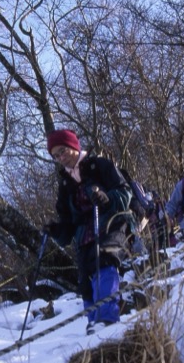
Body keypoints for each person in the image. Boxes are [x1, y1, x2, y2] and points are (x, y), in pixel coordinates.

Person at [43, 130, 133, 334]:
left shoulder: (99, 166)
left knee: (105, 259)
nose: (60, 157)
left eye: (63, 151)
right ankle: (94, 324)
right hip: (84, 233)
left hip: (110, 222)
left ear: (74, 146)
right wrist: (55, 230)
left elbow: (125, 193)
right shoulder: (65, 185)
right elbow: (67, 228)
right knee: (85, 278)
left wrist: (106, 198)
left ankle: (107, 319)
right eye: (55, 156)